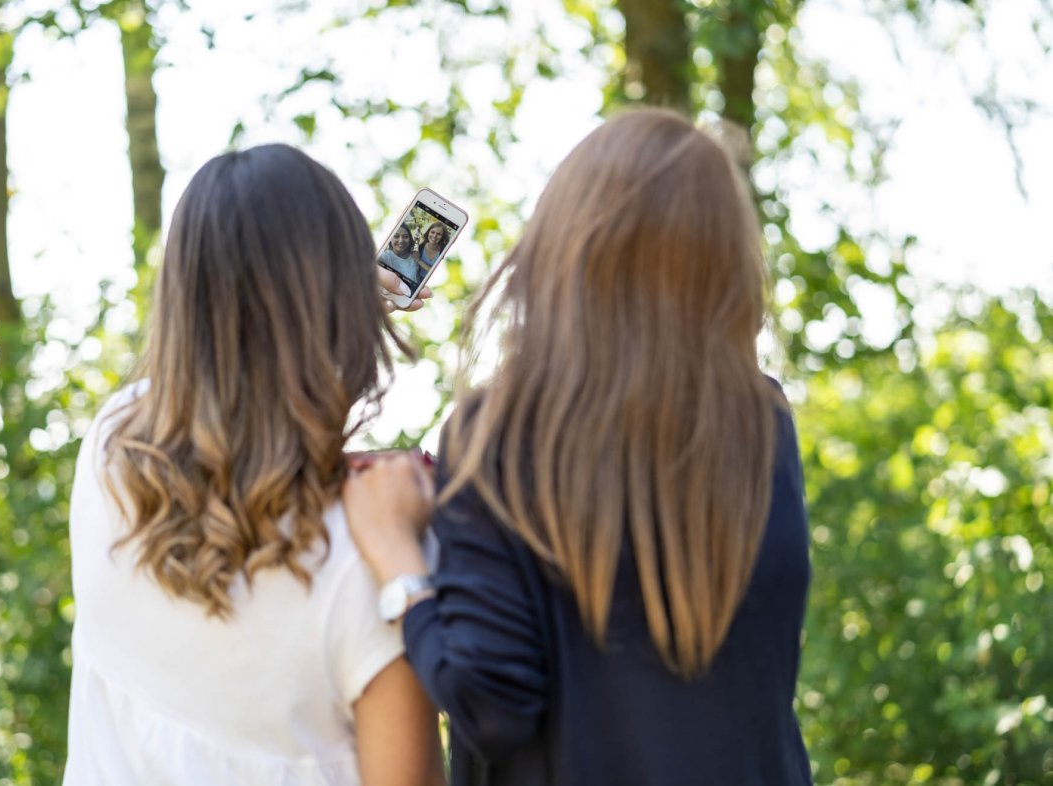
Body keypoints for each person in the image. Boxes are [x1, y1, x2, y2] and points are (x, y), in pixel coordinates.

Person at [343, 108, 813, 786]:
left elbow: (493, 706)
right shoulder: (762, 423)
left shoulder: (500, 435)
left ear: (562, 246)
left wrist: (400, 566)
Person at [63, 144, 445, 786]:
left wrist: (327, 321)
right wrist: (343, 327)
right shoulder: (369, 576)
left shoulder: (114, 446)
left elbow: (234, 416)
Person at [377, 224, 422, 290]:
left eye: (405, 237)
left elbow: (417, 280)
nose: (401, 241)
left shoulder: (414, 258)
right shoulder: (384, 256)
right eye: (396, 236)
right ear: (390, 239)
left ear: (410, 239)